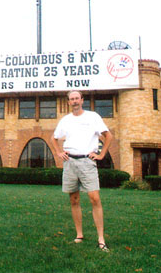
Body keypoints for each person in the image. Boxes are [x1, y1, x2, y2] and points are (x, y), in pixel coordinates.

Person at [50, 90, 113, 252]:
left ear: (82, 100)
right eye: (72, 99)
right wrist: (58, 152)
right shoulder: (65, 120)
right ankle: (79, 235)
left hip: (87, 161)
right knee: (74, 200)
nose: (75, 101)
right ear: (68, 102)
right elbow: (54, 138)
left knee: (94, 198)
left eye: (77, 98)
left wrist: (101, 154)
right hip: (70, 162)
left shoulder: (93, 117)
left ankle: (101, 238)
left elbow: (108, 136)